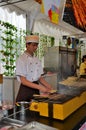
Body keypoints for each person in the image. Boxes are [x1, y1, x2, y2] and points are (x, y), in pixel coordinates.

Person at [16, 34, 52, 102]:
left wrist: (48, 86)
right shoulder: (22, 59)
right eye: (33, 45)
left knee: (36, 110)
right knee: (25, 111)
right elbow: (23, 81)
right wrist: (41, 87)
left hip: (35, 89)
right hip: (25, 89)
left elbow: (39, 77)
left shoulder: (36, 59)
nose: (35, 47)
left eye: (36, 45)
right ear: (27, 45)